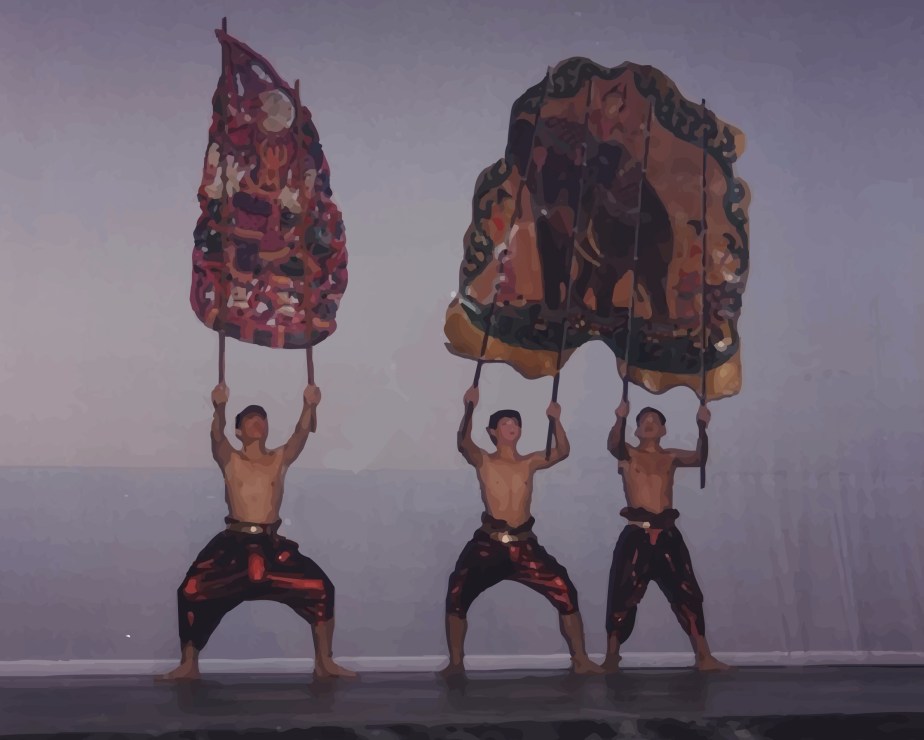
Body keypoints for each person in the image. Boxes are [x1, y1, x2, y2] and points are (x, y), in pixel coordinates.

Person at [158, 381, 355, 681]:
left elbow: (300, 434)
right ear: (239, 431)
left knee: (321, 589)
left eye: (262, 418)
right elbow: (216, 435)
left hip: (270, 544)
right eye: (250, 418)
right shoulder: (230, 458)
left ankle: (324, 662)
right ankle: (188, 665)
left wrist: (309, 405)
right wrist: (220, 406)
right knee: (190, 591)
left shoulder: (278, 458)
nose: (258, 422)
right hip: (233, 543)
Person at [440, 385, 604, 676]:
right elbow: (463, 443)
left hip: (525, 544)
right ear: (493, 432)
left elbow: (562, 451)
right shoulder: (484, 460)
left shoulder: (529, 461)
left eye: (515, 422)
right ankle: (455, 664)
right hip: (489, 544)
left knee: (565, 590)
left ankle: (580, 659)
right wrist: (469, 408)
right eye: (505, 423)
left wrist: (555, 420)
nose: (511, 426)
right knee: (457, 593)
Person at [602, 397, 730, 672]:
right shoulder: (628, 453)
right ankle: (612, 656)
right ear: (636, 430)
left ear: (663, 430)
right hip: (636, 535)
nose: (649, 424)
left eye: (654, 421)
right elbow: (613, 444)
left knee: (687, 593)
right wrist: (620, 417)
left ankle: (704, 656)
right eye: (643, 421)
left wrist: (702, 427)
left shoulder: (670, 456)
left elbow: (699, 458)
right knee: (622, 594)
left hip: (667, 536)